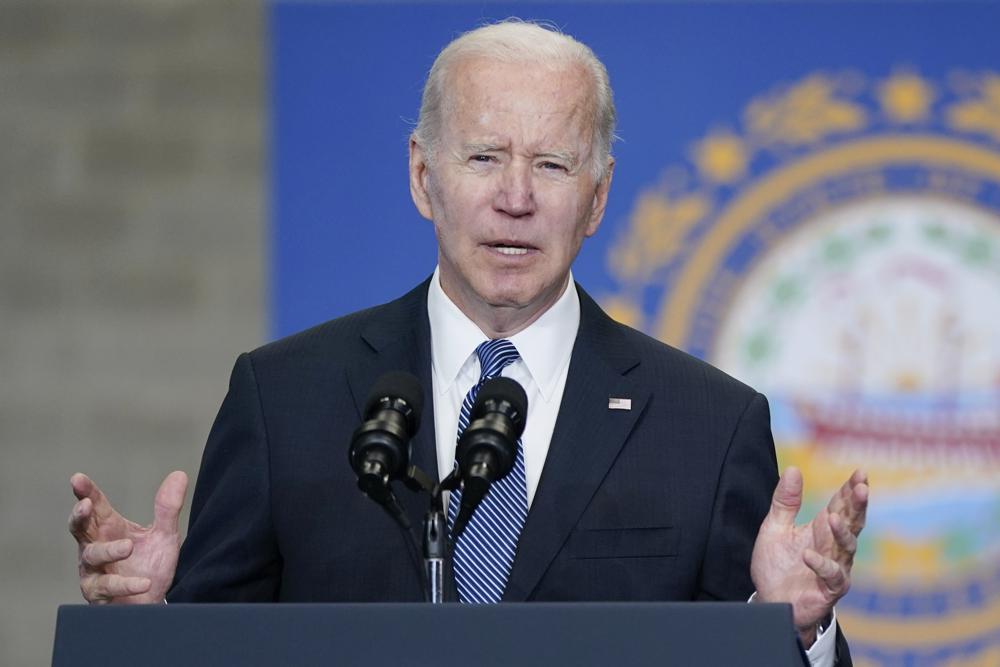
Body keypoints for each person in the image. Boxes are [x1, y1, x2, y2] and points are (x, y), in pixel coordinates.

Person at [68, 20, 867, 665]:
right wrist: (146, 629)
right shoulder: (285, 397)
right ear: (423, 177)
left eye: (552, 164)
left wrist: (793, 633)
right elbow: (215, 651)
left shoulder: (708, 424)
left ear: (597, 198)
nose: (515, 198)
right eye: (484, 157)